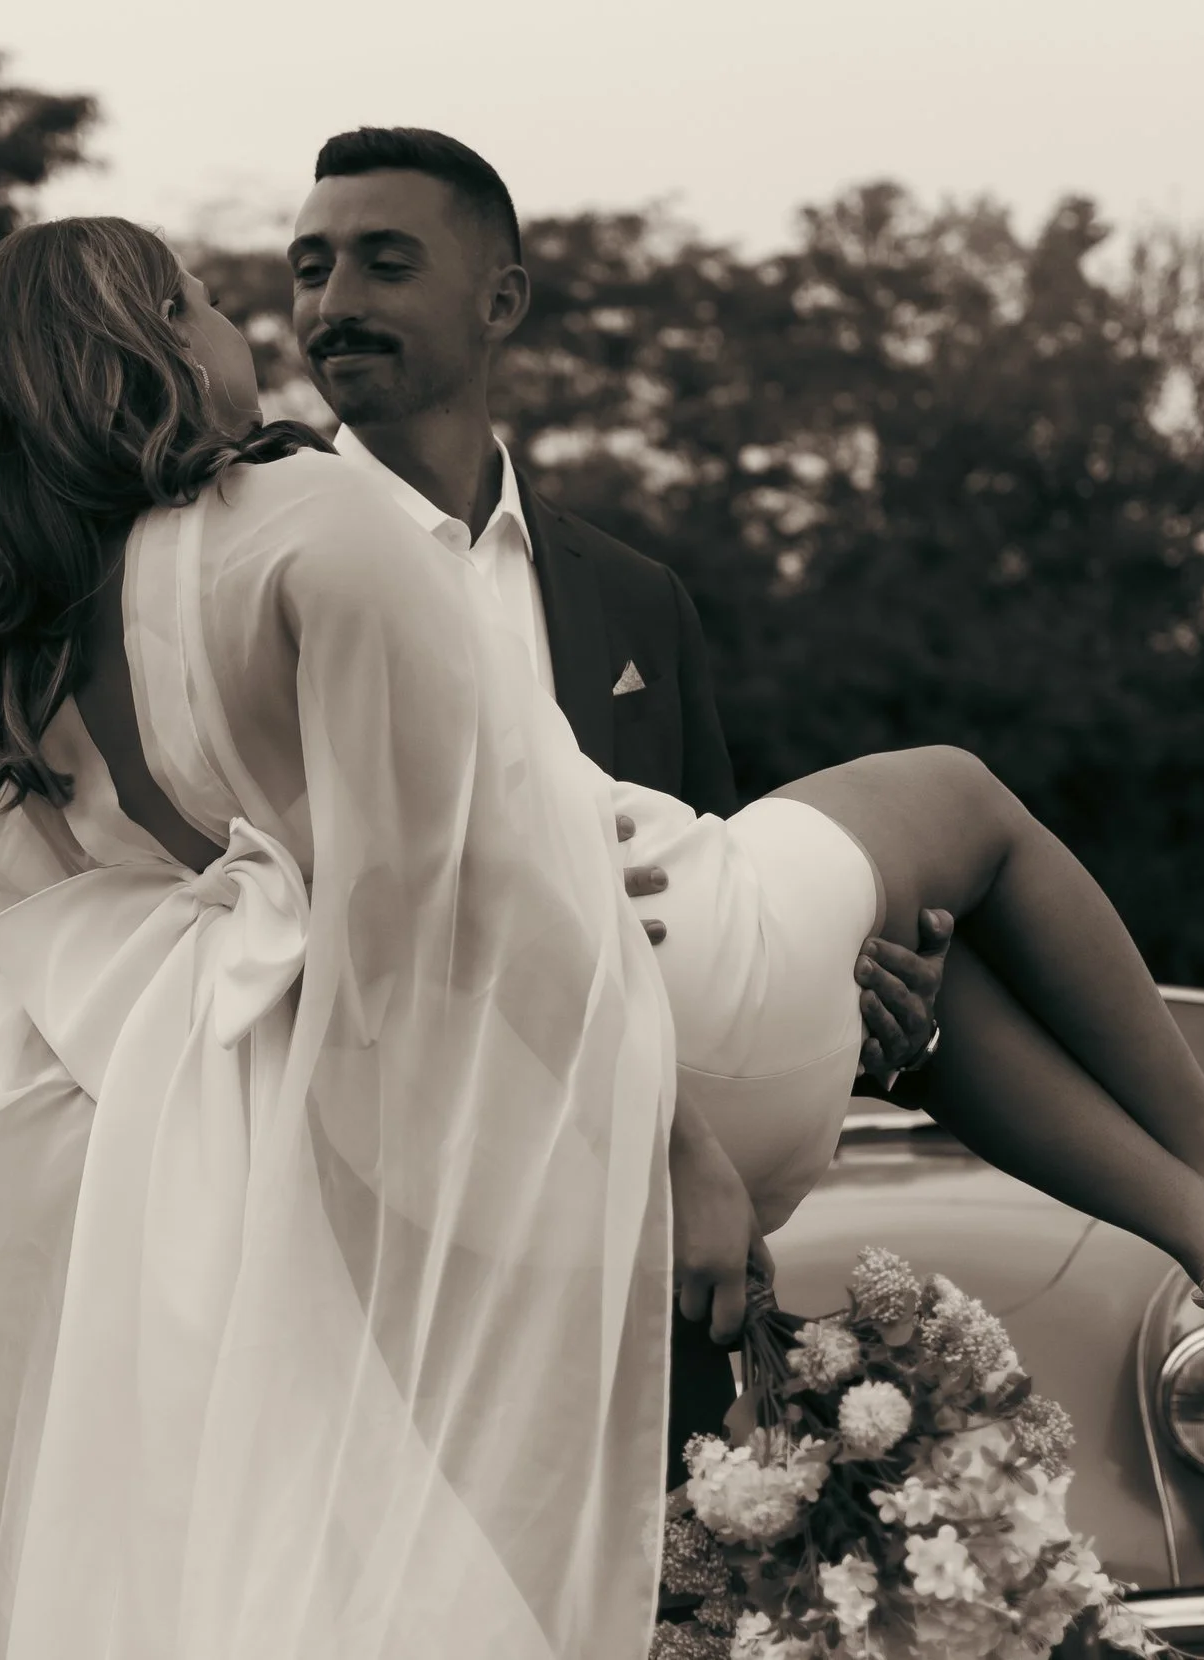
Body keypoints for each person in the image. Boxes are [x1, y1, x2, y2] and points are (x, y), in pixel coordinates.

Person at [0, 218, 1204, 1660]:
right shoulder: (296, 519)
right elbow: (477, 883)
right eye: (205, 295)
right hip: (641, 1026)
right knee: (958, 795)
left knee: (925, 956)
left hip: (441, 1137)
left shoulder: (27, 674)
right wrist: (677, 1155)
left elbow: (93, 967)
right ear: (146, 343)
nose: (247, 319)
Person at [284, 126, 955, 1493]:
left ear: (502, 300)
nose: (330, 302)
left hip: (642, 1260)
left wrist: (869, 1021)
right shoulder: (262, 557)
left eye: (383, 262)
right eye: (309, 268)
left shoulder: (637, 597)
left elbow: (710, 920)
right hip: (372, 1261)